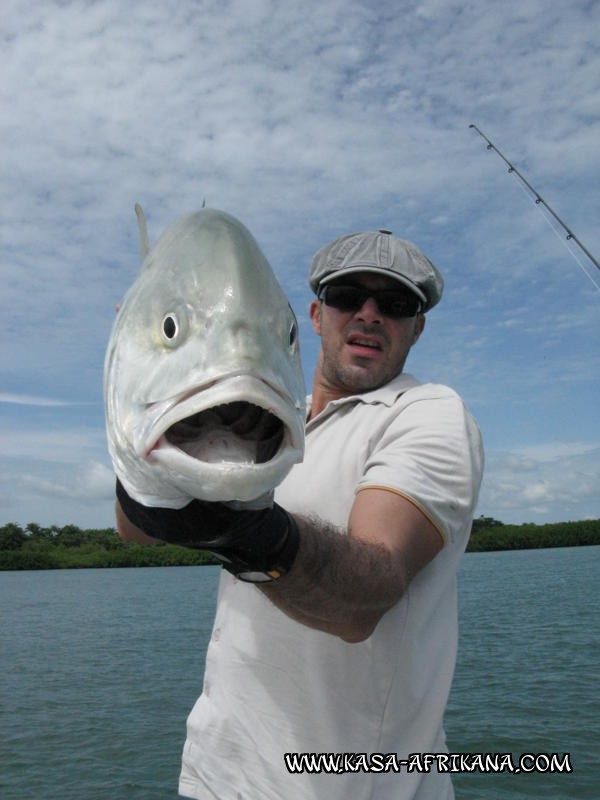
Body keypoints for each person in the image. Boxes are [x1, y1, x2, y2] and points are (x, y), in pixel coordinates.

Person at [117, 228, 484, 799]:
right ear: (315, 314)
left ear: (418, 326)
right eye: (347, 297)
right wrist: (137, 401)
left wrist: (246, 535)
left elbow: (364, 598)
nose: (368, 314)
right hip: (217, 777)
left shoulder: (427, 414)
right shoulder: (267, 420)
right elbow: (136, 529)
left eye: (394, 304)